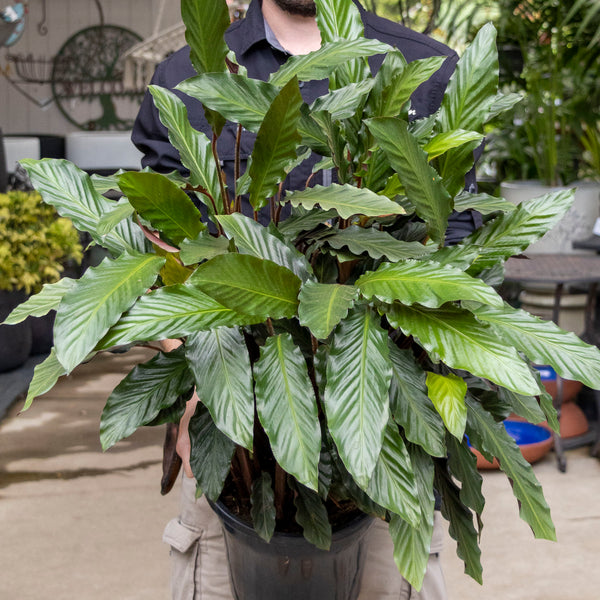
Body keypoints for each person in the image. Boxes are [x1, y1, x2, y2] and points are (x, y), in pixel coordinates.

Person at [132, 1, 480, 598]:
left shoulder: (423, 69)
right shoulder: (188, 76)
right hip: (233, 431)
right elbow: (158, 246)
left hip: (383, 428)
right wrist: (196, 388)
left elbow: (458, 254)